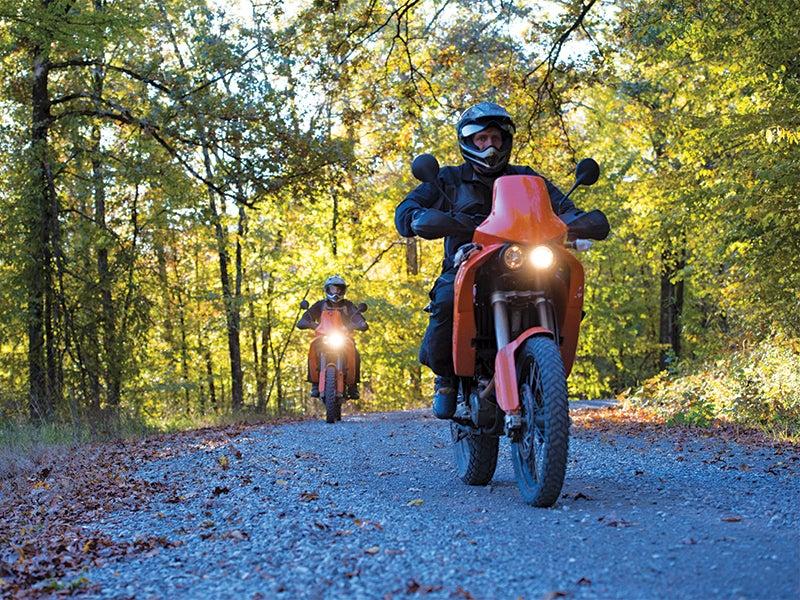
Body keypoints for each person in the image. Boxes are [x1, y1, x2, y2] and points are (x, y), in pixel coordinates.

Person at [394, 102, 610, 419]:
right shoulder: (448, 179)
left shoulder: (527, 179)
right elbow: (406, 209)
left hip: (527, 261)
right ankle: (447, 377)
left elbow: (562, 208)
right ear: (468, 141)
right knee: (445, 299)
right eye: (482, 139)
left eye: (495, 138)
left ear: (505, 140)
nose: (490, 146)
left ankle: (545, 371)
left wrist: (579, 220)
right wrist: (417, 217)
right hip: (468, 262)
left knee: (565, 287)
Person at [297, 275, 368, 399]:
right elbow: (304, 320)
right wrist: (310, 324)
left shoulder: (348, 305)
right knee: (312, 349)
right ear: (327, 290)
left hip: (344, 337)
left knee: (355, 353)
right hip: (323, 336)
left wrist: (360, 323)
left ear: (343, 291)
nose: (336, 292)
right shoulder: (320, 305)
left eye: (339, 289)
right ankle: (314, 383)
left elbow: (359, 319)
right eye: (333, 289)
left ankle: (353, 385)